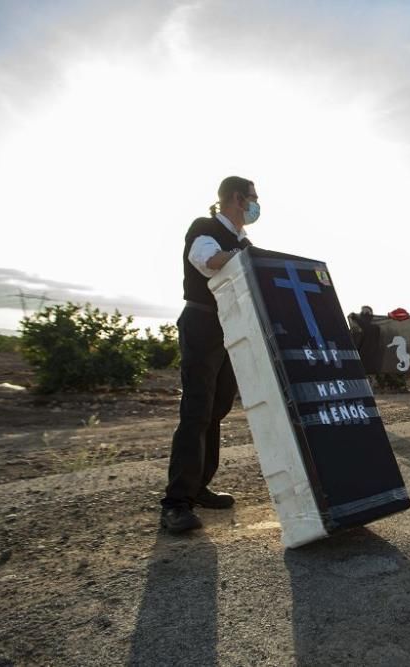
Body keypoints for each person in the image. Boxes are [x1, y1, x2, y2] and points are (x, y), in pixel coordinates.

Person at [161, 176, 258, 534]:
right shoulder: (205, 229)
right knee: (196, 410)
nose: (256, 205)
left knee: (216, 409)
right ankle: (176, 502)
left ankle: (199, 485)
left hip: (228, 328)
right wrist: (241, 256)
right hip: (202, 323)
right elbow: (208, 260)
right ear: (236, 198)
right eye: (252, 198)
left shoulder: (243, 239)